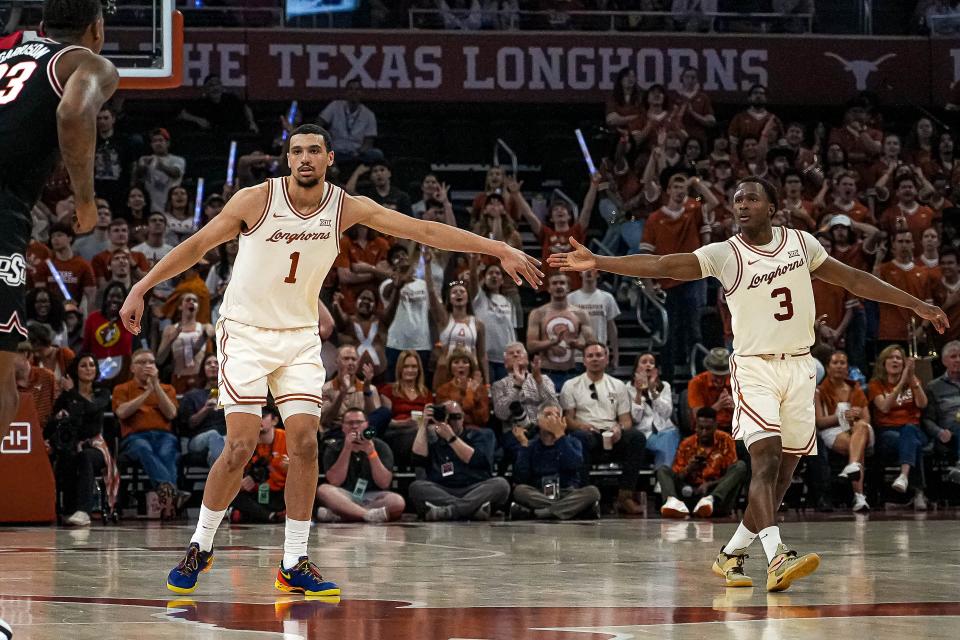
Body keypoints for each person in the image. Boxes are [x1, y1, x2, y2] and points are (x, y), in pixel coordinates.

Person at [118, 124, 539, 596]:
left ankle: (294, 560)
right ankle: (201, 544)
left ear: (329, 158)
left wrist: (497, 247)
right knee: (238, 446)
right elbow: (197, 246)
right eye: (296, 151)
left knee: (305, 444)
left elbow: (423, 230)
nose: (304, 158)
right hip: (245, 333)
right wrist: (141, 286)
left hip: (299, 336)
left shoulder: (343, 206)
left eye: (313, 151)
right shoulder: (255, 200)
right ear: (287, 158)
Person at [549, 175, 946, 592]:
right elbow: (663, 264)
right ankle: (777, 556)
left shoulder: (801, 243)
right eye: (737, 199)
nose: (742, 205)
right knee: (766, 459)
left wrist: (916, 304)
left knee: (783, 475)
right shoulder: (725, 254)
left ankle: (732, 553)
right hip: (755, 368)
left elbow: (854, 279)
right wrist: (600, 261)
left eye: (752, 199)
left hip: (800, 368)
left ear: (772, 208)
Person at [0, 0, 117, 442]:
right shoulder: (86, 62)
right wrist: (85, 201)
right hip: (3, 209)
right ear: (97, 28)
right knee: (6, 375)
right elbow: (73, 112)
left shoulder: (6, 55)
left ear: (43, 26)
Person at [560, 342, 646, 515]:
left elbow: (626, 420)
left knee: (637, 437)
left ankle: (625, 496)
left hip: (610, 432)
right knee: (579, 439)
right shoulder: (571, 385)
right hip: (586, 431)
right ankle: (584, 498)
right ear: (584, 361)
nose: (595, 359)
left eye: (599, 355)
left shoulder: (618, 385)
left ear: (606, 359)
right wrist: (581, 425)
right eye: (590, 356)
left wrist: (619, 428)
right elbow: (567, 419)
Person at [408, 400, 510, 521]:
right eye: (447, 417)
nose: (452, 421)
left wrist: (451, 438)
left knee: (501, 485)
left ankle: (449, 511)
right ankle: (471, 510)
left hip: (474, 489)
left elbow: (477, 460)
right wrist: (423, 424)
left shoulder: (479, 436)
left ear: (463, 418)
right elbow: (417, 459)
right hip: (443, 490)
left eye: (456, 417)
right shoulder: (433, 439)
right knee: (416, 487)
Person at [46, 353, 116, 526]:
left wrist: (71, 392)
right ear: (76, 370)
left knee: (85, 456)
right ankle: (68, 510)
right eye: (83, 365)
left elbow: (92, 409)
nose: (89, 369)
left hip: (95, 446)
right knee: (67, 457)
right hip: (71, 445)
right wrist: (59, 418)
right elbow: (50, 425)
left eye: (92, 365)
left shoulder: (102, 392)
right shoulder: (66, 397)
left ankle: (84, 511)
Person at [112, 348, 181, 518]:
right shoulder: (122, 388)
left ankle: (167, 496)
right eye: (142, 362)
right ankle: (170, 493)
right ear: (132, 368)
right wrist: (147, 393)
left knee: (168, 450)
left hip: (164, 435)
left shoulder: (167, 388)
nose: (147, 366)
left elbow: (171, 414)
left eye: (151, 362)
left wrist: (156, 386)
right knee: (143, 448)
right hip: (135, 437)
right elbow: (122, 413)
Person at [511, 404, 601, 520]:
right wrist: (524, 444)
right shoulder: (532, 445)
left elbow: (574, 464)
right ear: (539, 421)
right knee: (520, 491)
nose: (553, 419)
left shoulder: (573, 442)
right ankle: (571, 511)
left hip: (567, 493)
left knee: (593, 492)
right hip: (540, 493)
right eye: (548, 415)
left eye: (557, 415)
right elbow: (520, 478)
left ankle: (539, 513)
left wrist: (560, 436)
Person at [316, 407, 405, 523]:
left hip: (372, 497)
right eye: (349, 423)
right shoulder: (333, 447)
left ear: (367, 424)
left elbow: (384, 483)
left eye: (359, 422)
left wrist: (371, 453)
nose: (354, 426)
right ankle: (367, 515)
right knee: (323, 490)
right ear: (342, 427)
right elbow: (335, 481)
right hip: (344, 496)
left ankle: (344, 515)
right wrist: (347, 449)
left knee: (397, 502)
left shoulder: (381, 446)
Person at [868, 345, 930, 507]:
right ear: (883, 362)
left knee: (910, 432)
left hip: (914, 429)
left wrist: (912, 380)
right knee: (913, 443)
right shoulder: (876, 385)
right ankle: (919, 493)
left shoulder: (913, 382)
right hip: (888, 432)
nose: (895, 360)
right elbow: (884, 407)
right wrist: (902, 380)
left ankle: (903, 476)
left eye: (898, 358)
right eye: (891, 357)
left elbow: (922, 404)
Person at [658, 407, 748, 519]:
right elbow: (678, 477)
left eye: (708, 428)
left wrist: (709, 485)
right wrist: (689, 469)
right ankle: (673, 502)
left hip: (716, 496)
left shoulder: (725, 440)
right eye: (701, 428)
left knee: (741, 466)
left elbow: (730, 476)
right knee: (663, 470)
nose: (704, 432)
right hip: (689, 493)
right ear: (695, 427)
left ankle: (711, 500)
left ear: (715, 426)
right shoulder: (686, 444)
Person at [814, 351, 873, 512]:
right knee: (857, 446)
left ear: (848, 367)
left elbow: (867, 419)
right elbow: (819, 422)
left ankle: (852, 466)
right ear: (828, 367)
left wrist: (856, 417)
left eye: (843, 363)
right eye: (835, 363)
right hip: (833, 430)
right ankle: (859, 496)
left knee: (861, 428)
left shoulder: (856, 388)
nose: (839, 366)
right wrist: (842, 417)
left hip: (859, 429)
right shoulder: (819, 391)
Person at [526, 273, 593, 390]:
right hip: (546, 373)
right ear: (548, 288)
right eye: (554, 283)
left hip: (572, 373)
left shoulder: (580, 314)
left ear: (568, 288)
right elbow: (530, 346)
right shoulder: (538, 313)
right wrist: (552, 342)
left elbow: (593, 344)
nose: (558, 286)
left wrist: (577, 344)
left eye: (562, 283)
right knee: (547, 408)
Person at [230, 406, 288, 524]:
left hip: (281, 493)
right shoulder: (244, 442)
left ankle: (258, 516)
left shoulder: (287, 438)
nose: (258, 420)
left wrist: (292, 469)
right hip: (255, 494)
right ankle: (271, 516)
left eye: (262, 416)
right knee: (231, 494)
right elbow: (232, 478)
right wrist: (241, 484)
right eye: (254, 417)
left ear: (274, 421)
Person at [156, 293, 214, 393]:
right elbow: (159, 359)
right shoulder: (170, 330)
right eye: (188, 300)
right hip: (178, 378)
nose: (191, 302)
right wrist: (170, 340)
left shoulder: (205, 327)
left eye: (194, 301)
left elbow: (211, 333)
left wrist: (205, 335)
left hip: (199, 378)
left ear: (198, 308)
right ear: (180, 306)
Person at [631, 353, 680, 468]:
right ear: (636, 368)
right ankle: (663, 479)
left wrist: (653, 391)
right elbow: (635, 418)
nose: (648, 365)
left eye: (651, 362)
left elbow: (666, 414)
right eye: (644, 362)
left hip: (665, 430)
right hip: (644, 434)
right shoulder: (627, 388)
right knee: (667, 443)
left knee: (670, 435)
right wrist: (638, 392)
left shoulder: (665, 386)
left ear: (656, 370)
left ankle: (662, 478)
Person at [921, 340, 960, 484]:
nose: (958, 360)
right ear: (944, 361)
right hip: (949, 434)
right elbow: (927, 419)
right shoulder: (934, 387)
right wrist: (939, 432)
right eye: (953, 356)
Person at [178, 354, 226, 468]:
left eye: (217, 363)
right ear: (203, 370)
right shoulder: (192, 395)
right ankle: (220, 482)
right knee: (213, 435)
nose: (213, 365)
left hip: (225, 436)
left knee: (227, 441)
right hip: (198, 439)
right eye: (208, 363)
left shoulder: (230, 395)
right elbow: (189, 425)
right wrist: (205, 409)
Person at [568, 269, 620, 367]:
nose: (588, 271)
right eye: (585, 268)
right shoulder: (570, 298)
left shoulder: (607, 298)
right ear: (580, 272)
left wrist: (616, 356)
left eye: (592, 269)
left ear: (598, 274)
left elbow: (611, 328)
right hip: (577, 357)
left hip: (600, 354)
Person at [434, 348, 489, 429]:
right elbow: (454, 416)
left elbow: (483, 418)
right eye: (456, 362)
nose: (461, 365)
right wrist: (470, 394)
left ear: (470, 366)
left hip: (476, 430)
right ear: (450, 367)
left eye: (465, 362)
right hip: (451, 430)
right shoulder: (443, 390)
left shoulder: (480, 389)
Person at [134, 128, 186, 213]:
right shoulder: (145, 159)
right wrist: (143, 167)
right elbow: (137, 178)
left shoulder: (178, 160)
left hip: (170, 207)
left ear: (167, 143)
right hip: (151, 208)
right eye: (155, 141)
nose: (158, 143)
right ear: (151, 144)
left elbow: (176, 173)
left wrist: (161, 166)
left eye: (161, 140)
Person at [687, 348, 734, 433]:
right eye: (716, 375)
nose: (719, 380)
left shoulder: (738, 381)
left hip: (733, 429)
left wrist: (735, 407)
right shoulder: (696, 383)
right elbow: (698, 417)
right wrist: (718, 405)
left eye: (722, 376)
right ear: (709, 370)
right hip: (705, 431)